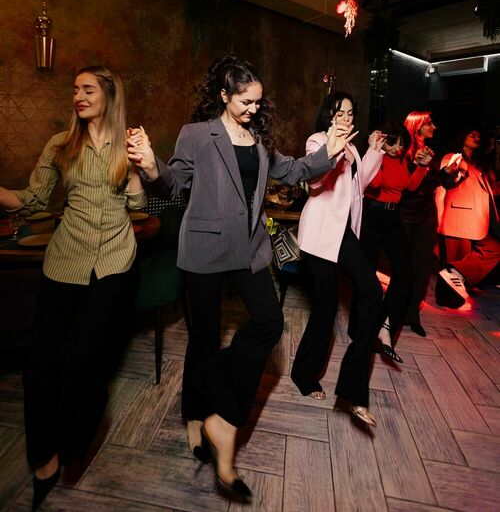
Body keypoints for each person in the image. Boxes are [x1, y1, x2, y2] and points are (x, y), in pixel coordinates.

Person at [126, 55, 355, 501]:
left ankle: (218, 405)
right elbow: (175, 186)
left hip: (248, 249)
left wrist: (328, 151)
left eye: (258, 102)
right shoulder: (197, 134)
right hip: (205, 249)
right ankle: (196, 415)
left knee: (269, 322)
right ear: (224, 96)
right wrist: (151, 167)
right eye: (246, 101)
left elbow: (293, 171)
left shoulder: (259, 139)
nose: (254, 108)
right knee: (204, 338)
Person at [0, 66, 146, 510]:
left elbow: (138, 204)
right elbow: (33, 200)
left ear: (109, 95)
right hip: (65, 262)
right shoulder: (60, 145)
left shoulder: (128, 144)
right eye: (75, 90)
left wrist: (137, 167)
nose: (78, 96)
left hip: (114, 263)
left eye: (87, 89)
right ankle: (42, 457)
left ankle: (74, 442)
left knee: (88, 362)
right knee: (41, 366)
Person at [291, 91, 385, 427]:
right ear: (328, 116)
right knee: (326, 307)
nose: (345, 118)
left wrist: (373, 150)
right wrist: (333, 151)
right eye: (338, 113)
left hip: (343, 234)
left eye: (349, 113)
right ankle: (304, 374)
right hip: (319, 236)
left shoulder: (354, 147)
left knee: (372, 292)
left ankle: (352, 387)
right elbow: (315, 184)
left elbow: (360, 186)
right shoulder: (317, 141)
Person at [359, 119, 432, 362]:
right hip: (371, 215)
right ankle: (362, 330)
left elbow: (408, 186)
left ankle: (385, 324)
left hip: (392, 217)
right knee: (367, 275)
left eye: (402, 144)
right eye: (394, 143)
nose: (398, 148)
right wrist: (376, 152)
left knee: (404, 273)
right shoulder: (375, 157)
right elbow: (375, 183)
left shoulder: (401, 159)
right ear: (384, 140)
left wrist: (420, 166)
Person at [436, 128, 500, 306]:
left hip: (479, 221)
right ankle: (447, 301)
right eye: (472, 134)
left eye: (479, 135)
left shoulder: (481, 164)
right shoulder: (453, 157)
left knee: (490, 252)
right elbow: (446, 180)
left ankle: (452, 291)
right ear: (462, 137)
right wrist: (452, 172)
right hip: (458, 218)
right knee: (453, 264)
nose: (476, 137)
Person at [399, 111, 440, 337]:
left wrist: (446, 173)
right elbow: (405, 186)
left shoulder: (430, 151)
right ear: (417, 126)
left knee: (422, 266)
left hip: (426, 215)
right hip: (405, 214)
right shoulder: (402, 150)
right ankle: (397, 310)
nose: (434, 127)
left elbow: (433, 182)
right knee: (403, 264)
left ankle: (413, 313)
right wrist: (417, 165)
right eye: (429, 123)